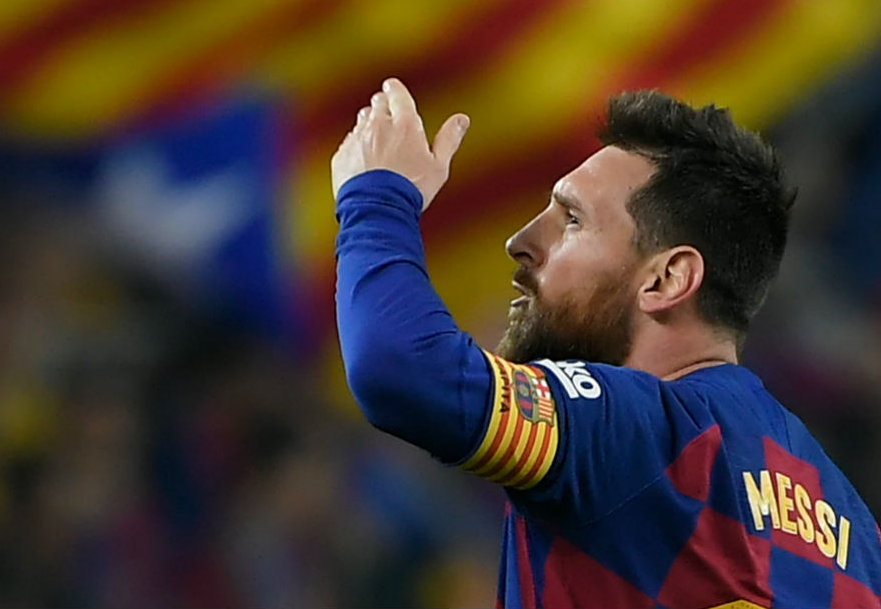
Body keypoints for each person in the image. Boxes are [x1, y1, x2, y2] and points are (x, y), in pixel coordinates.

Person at [332, 78, 881, 607]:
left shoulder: (636, 434)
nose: (519, 242)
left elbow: (401, 368)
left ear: (666, 280)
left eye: (570, 219)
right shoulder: (856, 533)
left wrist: (375, 197)